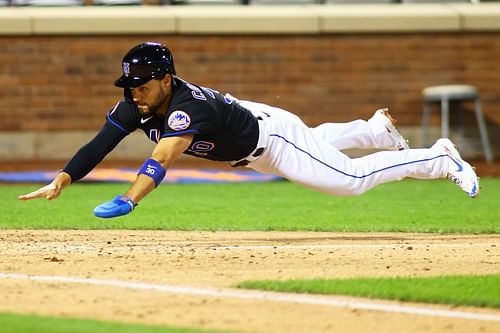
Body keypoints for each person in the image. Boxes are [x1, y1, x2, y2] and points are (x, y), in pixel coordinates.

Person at [18, 42, 480, 218]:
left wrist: (129, 198)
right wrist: (65, 177)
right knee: (314, 144)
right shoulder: (137, 104)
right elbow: (100, 142)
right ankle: (375, 130)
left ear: (164, 80)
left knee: (349, 182)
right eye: (128, 84)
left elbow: (163, 158)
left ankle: (438, 158)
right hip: (257, 131)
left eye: (140, 84)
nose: (132, 92)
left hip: (270, 142)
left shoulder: (183, 108)